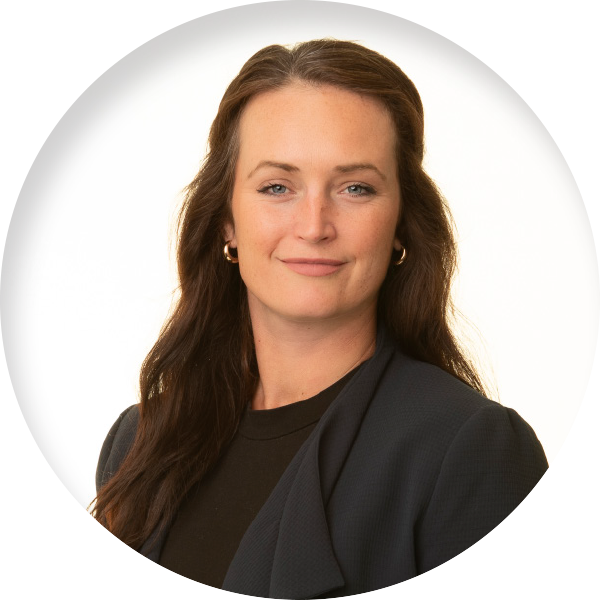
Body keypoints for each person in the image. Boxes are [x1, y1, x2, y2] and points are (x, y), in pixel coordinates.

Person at [93, 39, 548, 598]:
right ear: (227, 224)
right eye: (277, 187)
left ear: (401, 221)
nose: (314, 225)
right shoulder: (139, 441)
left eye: (356, 188)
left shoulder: (472, 451)